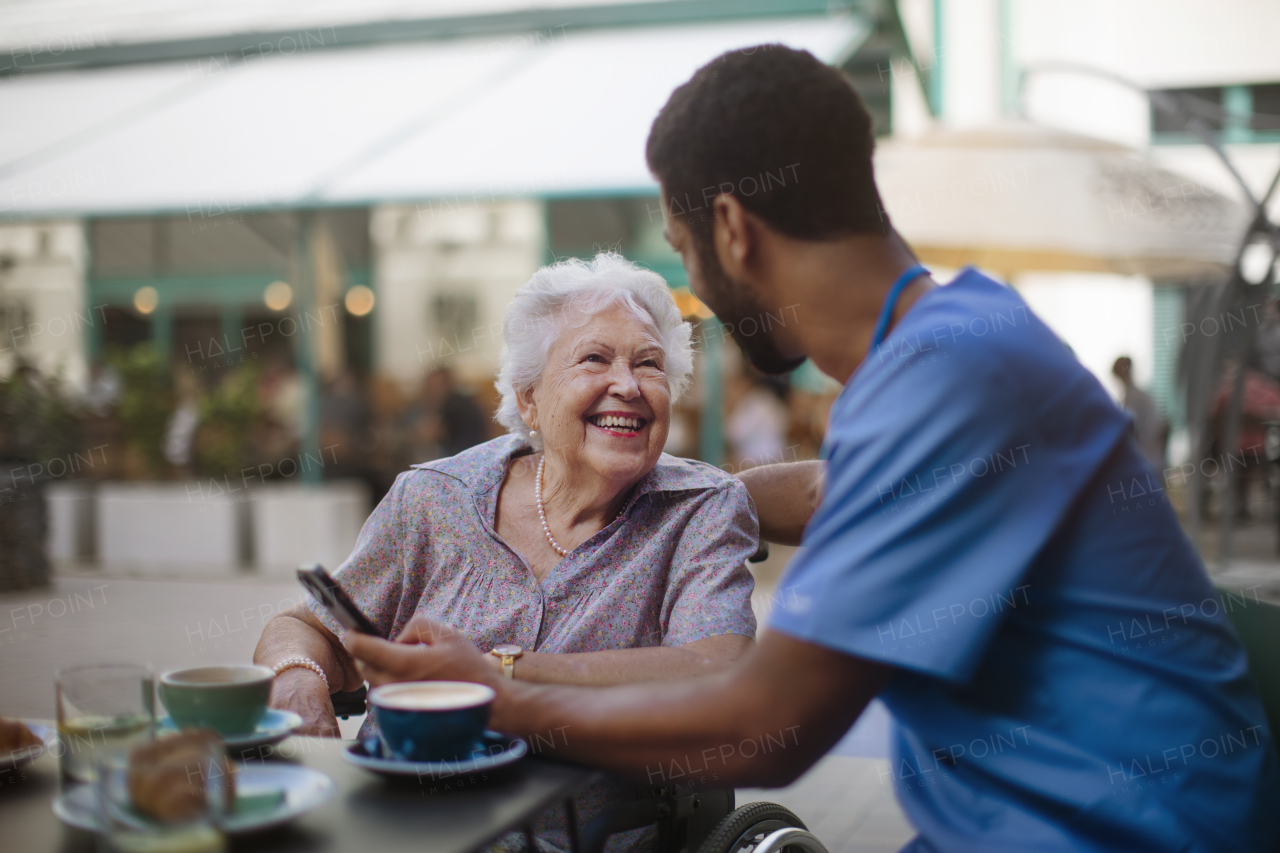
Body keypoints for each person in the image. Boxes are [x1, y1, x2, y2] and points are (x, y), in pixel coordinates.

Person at [343, 46, 1280, 852]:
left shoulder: (941, 380)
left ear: (733, 229)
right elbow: (858, 492)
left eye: (684, 248)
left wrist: (493, 696)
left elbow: (769, 726)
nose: (694, 288)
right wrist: (704, 493)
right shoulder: (963, 334)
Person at [253, 253, 758, 851]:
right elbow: (304, 626)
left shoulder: (700, 509)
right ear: (529, 400)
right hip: (393, 823)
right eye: (595, 358)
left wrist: (498, 674)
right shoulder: (435, 497)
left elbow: (719, 669)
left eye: (649, 364)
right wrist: (298, 678)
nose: (627, 384)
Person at [1111, 356, 1166, 471]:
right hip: (1152, 461)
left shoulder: (1134, 398)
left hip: (1147, 463)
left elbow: (1130, 432)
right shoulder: (1137, 396)